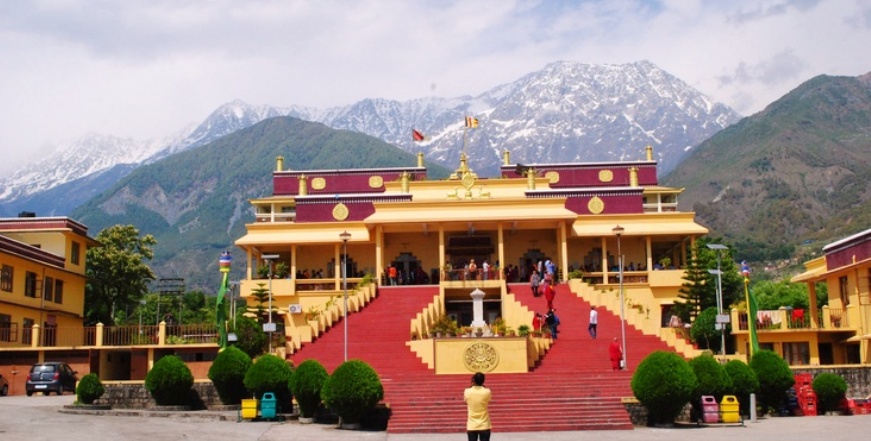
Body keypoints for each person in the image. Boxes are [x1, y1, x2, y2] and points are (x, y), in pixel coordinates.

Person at [464, 372, 491, 441]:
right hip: (484, 424)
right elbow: (488, 400)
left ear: (474, 381)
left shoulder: (467, 391)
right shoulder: (487, 391)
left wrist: (472, 385)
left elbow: (465, 400)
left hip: (472, 425)